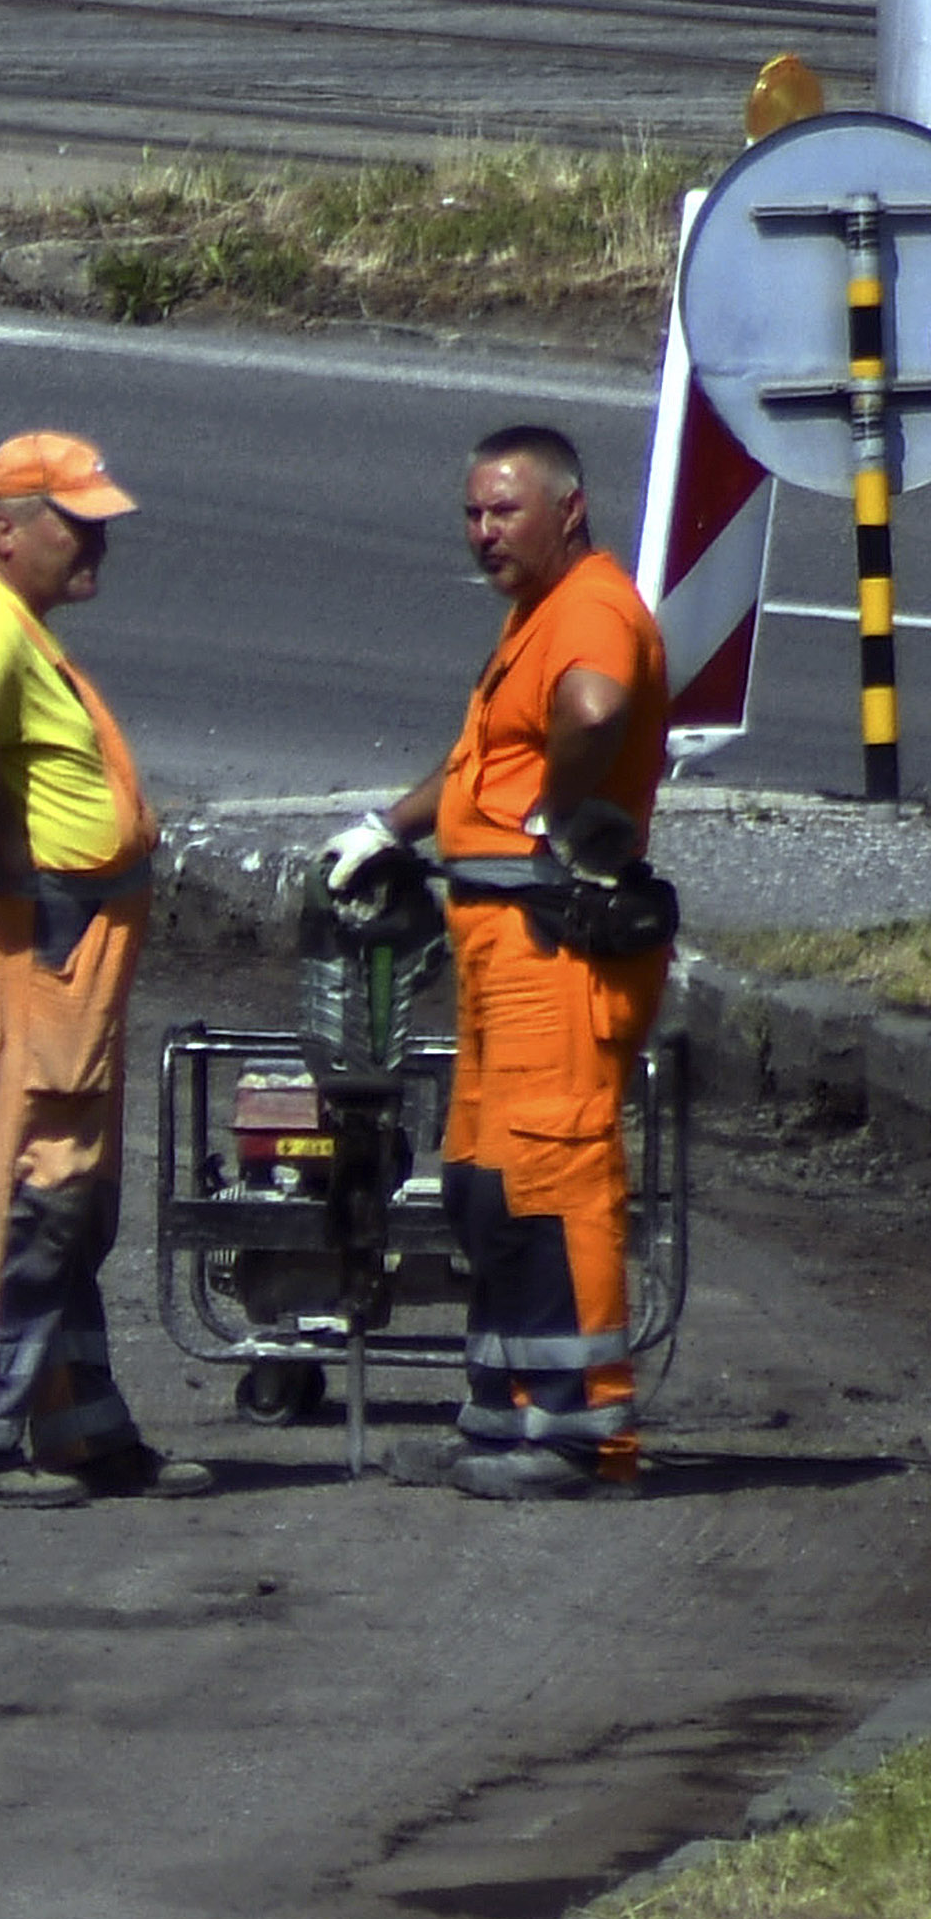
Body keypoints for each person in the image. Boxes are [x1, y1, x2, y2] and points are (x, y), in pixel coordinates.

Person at [322, 425, 669, 1500]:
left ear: (567, 508)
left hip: (555, 951)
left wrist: (559, 812)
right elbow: (483, 761)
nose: (482, 532)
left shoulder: (593, 610)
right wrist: (388, 828)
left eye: (503, 510)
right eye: (472, 513)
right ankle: (505, 1415)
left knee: (550, 1183)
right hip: (498, 946)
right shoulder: (537, 617)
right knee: (483, 1187)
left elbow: (595, 709)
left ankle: (577, 1437)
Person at [0, 432, 210, 1508]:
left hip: (50, 957)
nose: (96, 543)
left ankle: (80, 1427)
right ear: (4, 529)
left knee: (64, 1192)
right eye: (74, 523)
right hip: (14, 953)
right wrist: (12, 846)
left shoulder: (10, 624)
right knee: (17, 1192)